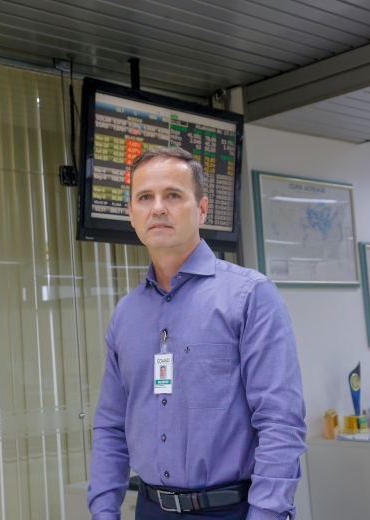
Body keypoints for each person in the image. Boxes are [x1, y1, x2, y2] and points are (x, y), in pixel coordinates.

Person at [86, 147, 307, 520]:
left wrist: (267, 514)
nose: (158, 208)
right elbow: (111, 427)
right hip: (151, 510)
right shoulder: (126, 314)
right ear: (132, 214)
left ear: (202, 209)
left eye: (173, 195)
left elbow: (280, 421)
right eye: (145, 197)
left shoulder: (249, 296)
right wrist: (104, 513)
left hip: (232, 511)